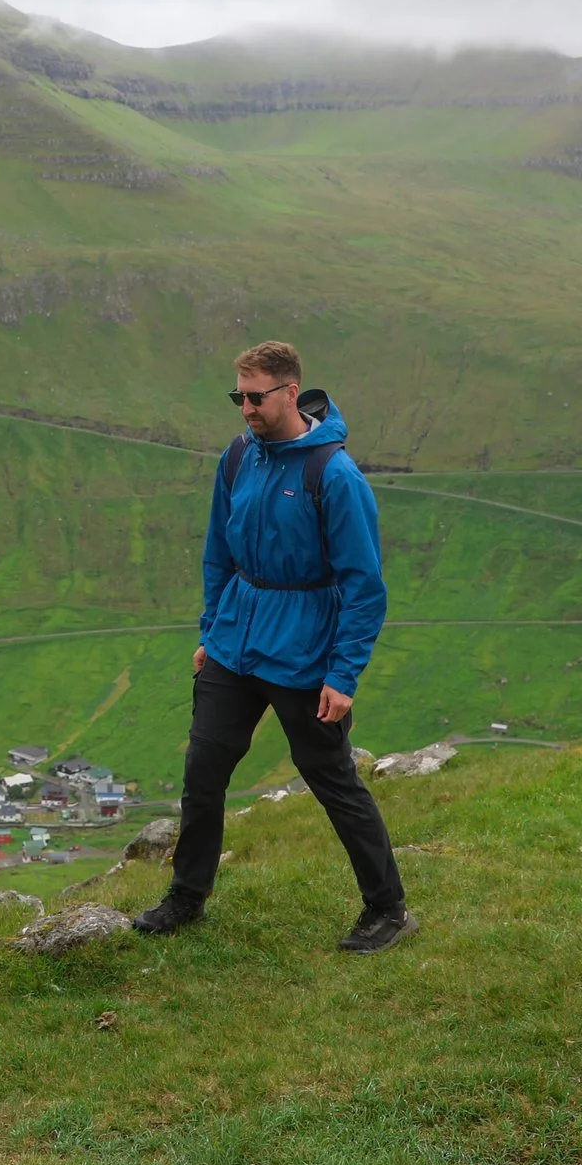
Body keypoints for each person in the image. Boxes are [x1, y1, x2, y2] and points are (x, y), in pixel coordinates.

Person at [133, 340, 414, 952]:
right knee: (202, 772)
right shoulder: (238, 457)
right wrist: (212, 631)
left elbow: (365, 587)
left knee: (331, 778)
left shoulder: (334, 475)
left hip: (303, 651)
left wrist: (343, 675)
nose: (245, 409)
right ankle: (187, 897)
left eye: (256, 397)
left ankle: (388, 909)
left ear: (291, 391)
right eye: (238, 396)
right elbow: (219, 552)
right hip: (235, 642)